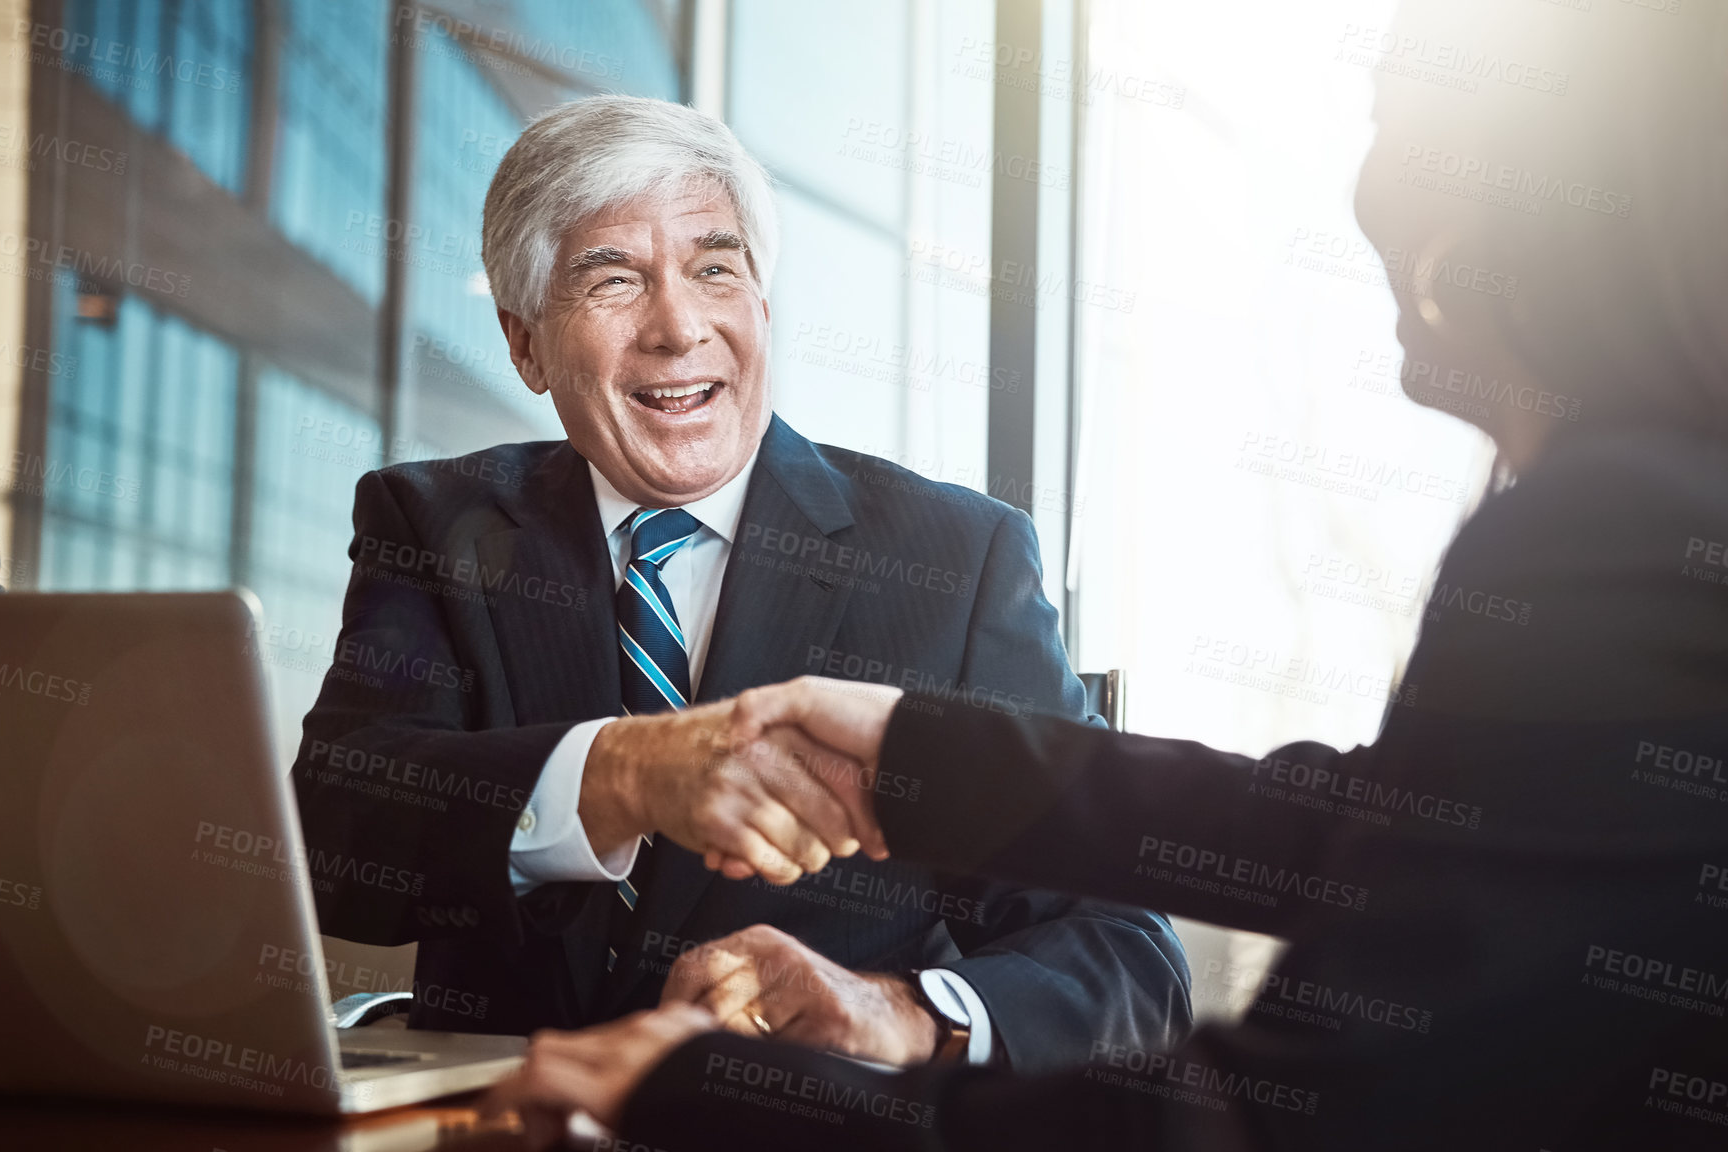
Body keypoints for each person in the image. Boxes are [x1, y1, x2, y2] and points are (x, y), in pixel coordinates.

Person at [480, 1, 1728, 1148]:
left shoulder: (1610, 536)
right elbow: (1380, 825)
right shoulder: (1654, 518)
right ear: (527, 339)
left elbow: (1275, 1119)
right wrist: (926, 757)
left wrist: (718, 1095)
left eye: (1387, 122)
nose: (1363, 186)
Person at [292, 95, 1189, 1071]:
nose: (678, 329)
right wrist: (620, 774)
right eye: (614, 279)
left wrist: (904, 1012)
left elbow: (1125, 954)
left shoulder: (954, 564)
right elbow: (333, 845)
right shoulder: (431, 523)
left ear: (760, 304)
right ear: (525, 344)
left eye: (714, 269)